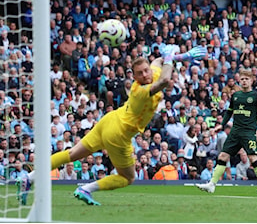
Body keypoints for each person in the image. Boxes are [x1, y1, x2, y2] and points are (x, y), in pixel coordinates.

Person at [17, 45, 206, 205]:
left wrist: (183, 56)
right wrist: (172, 58)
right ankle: (86, 189)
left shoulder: (153, 71)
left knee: (71, 154)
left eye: (146, 70)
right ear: (135, 77)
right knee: (127, 178)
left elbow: (158, 62)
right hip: (118, 133)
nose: (145, 74)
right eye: (139, 73)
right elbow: (165, 79)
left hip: (109, 120)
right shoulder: (140, 90)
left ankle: (29, 177)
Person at [196, 68, 257, 194]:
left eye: (246, 79)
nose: (244, 81)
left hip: (248, 132)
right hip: (235, 132)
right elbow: (229, 112)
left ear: (252, 80)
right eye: (242, 79)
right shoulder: (235, 96)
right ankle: (212, 184)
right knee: (223, 156)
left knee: (253, 158)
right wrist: (221, 125)